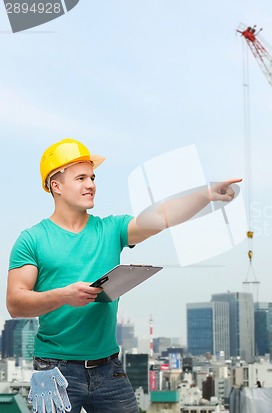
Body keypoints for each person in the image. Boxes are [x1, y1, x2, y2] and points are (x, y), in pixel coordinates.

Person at [6, 138, 240, 413]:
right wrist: (64, 295)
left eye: (92, 177)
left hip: (109, 369)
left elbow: (161, 217)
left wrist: (206, 194)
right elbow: (15, 303)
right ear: (56, 186)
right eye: (80, 177)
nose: (91, 184)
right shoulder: (32, 240)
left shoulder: (111, 229)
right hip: (54, 370)